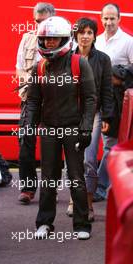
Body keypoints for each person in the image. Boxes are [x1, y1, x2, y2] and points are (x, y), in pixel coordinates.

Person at [25, 16, 97, 240]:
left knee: (76, 177)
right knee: (48, 178)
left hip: (72, 128)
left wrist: (85, 128)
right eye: (46, 39)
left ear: (64, 39)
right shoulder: (39, 67)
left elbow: (90, 98)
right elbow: (34, 101)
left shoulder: (79, 63)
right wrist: (28, 124)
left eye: (54, 39)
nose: (49, 43)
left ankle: (81, 225)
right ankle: (44, 223)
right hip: (48, 129)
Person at [66, 18, 113, 221]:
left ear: (94, 35)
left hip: (93, 114)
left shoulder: (103, 59)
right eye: (82, 32)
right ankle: (73, 200)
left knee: (89, 159)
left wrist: (107, 116)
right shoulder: (66, 57)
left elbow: (107, 91)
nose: (85, 36)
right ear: (75, 35)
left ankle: (88, 202)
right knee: (71, 161)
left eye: (90, 32)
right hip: (69, 115)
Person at [16, 2, 55, 204]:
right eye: (36, 21)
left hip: (55, 100)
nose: (38, 25)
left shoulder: (65, 38)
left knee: (53, 145)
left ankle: (51, 190)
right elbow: (19, 69)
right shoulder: (27, 38)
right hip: (30, 97)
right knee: (25, 140)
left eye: (43, 21)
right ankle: (27, 189)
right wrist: (30, 80)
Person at [94, 3, 133, 201]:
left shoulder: (128, 42)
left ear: (119, 19)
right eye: (106, 18)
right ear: (101, 19)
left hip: (116, 103)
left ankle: (100, 188)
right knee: (90, 148)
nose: (109, 22)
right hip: (94, 101)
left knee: (110, 145)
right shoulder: (96, 41)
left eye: (112, 18)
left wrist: (117, 76)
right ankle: (93, 187)